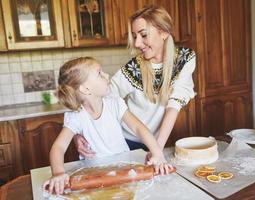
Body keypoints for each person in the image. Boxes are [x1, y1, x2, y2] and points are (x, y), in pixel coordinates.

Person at [75, 5, 196, 157]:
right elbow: (100, 96)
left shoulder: (185, 59)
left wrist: (156, 149)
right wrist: (78, 132)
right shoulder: (134, 68)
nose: (137, 43)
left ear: (164, 32)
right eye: (135, 36)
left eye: (143, 35)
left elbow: (174, 104)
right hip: (126, 140)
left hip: (156, 141)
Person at [43, 57, 172, 195]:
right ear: (85, 89)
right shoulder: (76, 116)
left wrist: (157, 154)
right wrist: (58, 173)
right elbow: (58, 147)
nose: (107, 75)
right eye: (100, 73)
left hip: (126, 170)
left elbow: (139, 128)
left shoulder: (115, 104)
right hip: (95, 175)